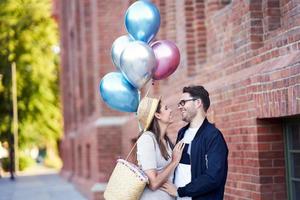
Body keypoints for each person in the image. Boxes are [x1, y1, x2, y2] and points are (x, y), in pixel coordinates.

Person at [161, 85, 228, 200]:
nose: (179, 107)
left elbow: (213, 177)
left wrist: (180, 191)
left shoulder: (213, 136)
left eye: (183, 102)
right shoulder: (182, 133)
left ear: (197, 103)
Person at [136, 96, 185, 200]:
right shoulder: (147, 139)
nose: (171, 110)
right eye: (166, 108)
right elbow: (153, 183)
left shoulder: (166, 141)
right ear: (157, 115)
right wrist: (174, 162)